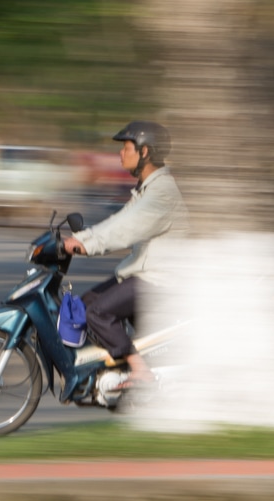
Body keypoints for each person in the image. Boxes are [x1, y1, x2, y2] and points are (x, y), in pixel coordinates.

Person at [63, 121, 189, 388]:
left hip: (158, 279)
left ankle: (138, 369)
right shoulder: (148, 189)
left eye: (126, 147)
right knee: (85, 305)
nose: (120, 154)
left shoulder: (161, 193)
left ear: (144, 152)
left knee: (97, 312)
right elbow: (118, 221)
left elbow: (125, 229)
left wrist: (88, 245)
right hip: (143, 273)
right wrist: (80, 238)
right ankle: (114, 366)